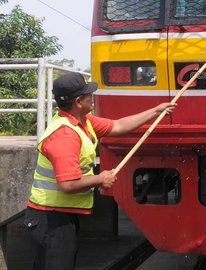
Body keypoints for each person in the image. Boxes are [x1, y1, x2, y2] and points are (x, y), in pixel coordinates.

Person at [23, 72, 176, 270]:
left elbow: (119, 126)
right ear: (78, 101)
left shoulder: (82, 122)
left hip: (58, 215)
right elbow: (67, 184)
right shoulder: (65, 135)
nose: (92, 97)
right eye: (88, 94)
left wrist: (156, 111)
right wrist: (100, 179)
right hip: (50, 220)